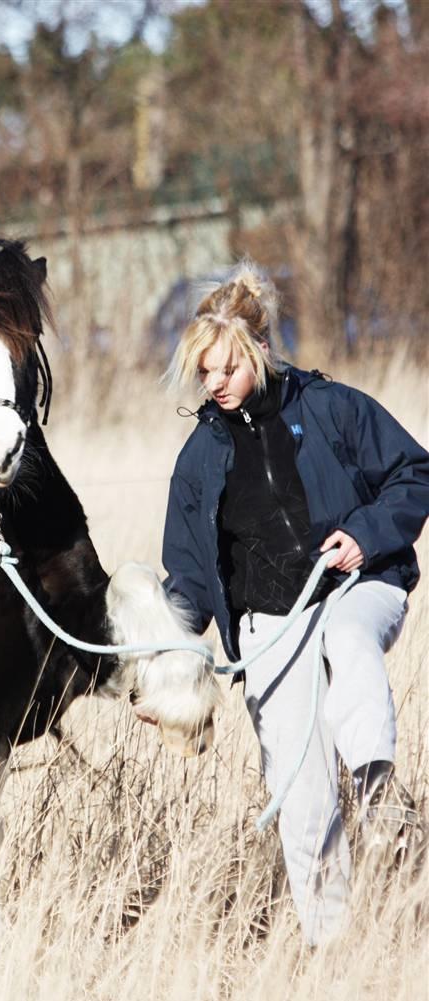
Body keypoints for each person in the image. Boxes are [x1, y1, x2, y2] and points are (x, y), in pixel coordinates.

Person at [154, 262, 429, 946]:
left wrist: (364, 535)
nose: (212, 383)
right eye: (202, 372)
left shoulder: (333, 408)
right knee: (303, 799)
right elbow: (187, 581)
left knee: (345, 637)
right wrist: (160, 655)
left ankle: (378, 790)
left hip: (359, 587)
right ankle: (331, 949)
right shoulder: (197, 462)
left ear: (258, 351)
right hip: (268, 627)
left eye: (224, 367)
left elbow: (415, 470)